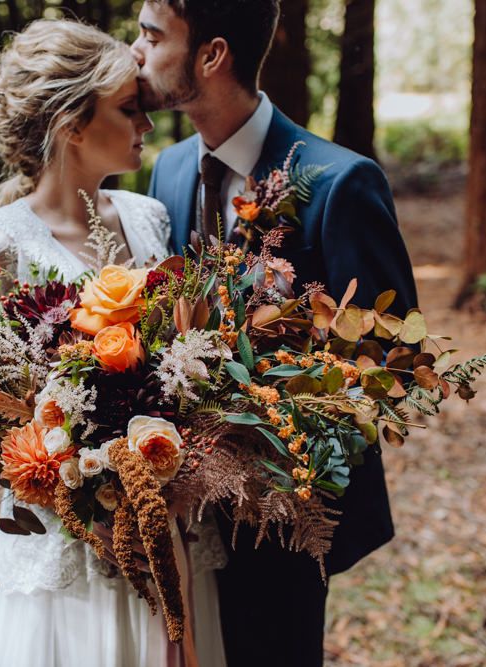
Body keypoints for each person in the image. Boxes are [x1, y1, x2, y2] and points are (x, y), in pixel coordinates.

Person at [0, 19, 228, 667]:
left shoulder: (148, 218)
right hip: (70, 540)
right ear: (72, 125)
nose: (146, 125)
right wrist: (49, 455)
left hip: (161, 515)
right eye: (128, 109)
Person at [131, 1, 418, 665]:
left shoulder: (338, 182)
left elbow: (394, 364)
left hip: (283, 524)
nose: (136, 51)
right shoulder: (167, 169)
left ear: (211, 55)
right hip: (179, 517)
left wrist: (270, 441)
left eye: (151, 34)